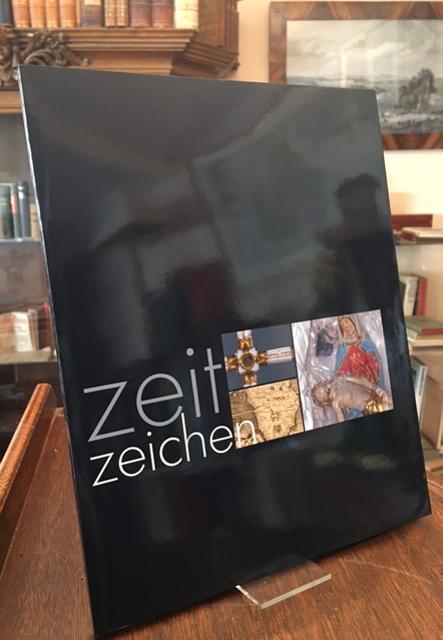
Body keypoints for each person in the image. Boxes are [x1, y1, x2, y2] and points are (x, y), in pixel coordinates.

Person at [311, 375, 392, 424]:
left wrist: (375, 388)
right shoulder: (335, 403)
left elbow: (361, 380)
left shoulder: (339, 380)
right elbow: (341, 418)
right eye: (320, 396)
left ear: (321, 383)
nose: (320, 393)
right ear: (324, 402)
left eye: (318, 389)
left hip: (374, 394)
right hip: (369, 407)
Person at [335, 315, 384, 389]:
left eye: (347, 322)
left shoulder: (366, 341)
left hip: (369, 384)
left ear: (354, 322)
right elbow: (338, 374)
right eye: (342, 325)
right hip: (351, 387)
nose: (345, 327)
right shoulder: (342, 348)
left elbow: (377, 365)